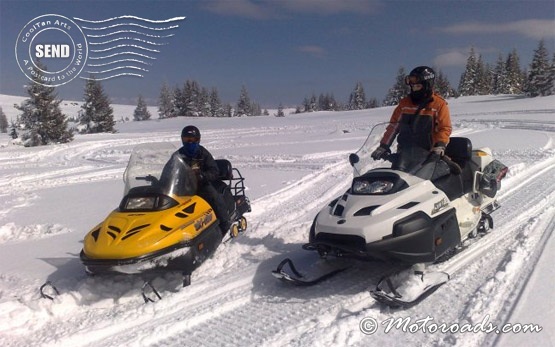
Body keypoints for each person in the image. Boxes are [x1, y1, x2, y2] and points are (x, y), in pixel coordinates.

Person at [371, 66, 452, 172]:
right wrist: (383, 146)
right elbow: (393, 126)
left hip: (427, 156)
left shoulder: (438, 104)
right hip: (403, 155)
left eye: (418, 86)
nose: (414, 89)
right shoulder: (405, 103)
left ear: (427, 85)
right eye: (413, 86)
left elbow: (444, 128)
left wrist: (439, 146)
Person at [177, 125, 231, 233]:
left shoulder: (203, 153)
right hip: (184, 187)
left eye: (193, 140)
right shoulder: (179, 154)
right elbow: (170, 169)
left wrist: (203, 176)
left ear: (198, 140)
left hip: (201, 185)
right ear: (182, 140)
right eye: (187, 140)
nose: (190, 143)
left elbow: (214, 170)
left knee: (215, 198)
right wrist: (160, 180)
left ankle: (225, 223)